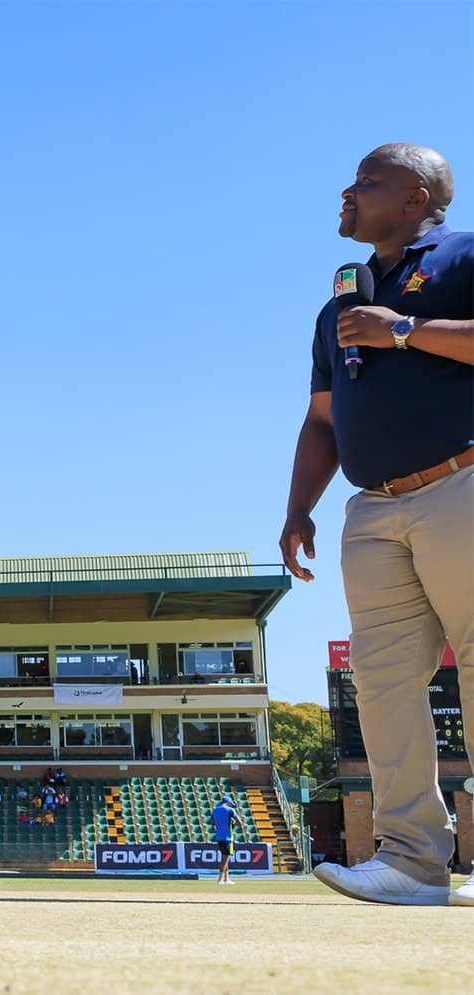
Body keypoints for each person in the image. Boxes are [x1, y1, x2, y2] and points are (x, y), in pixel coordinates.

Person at [279, 144, 472, 908]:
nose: (347, 193)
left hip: (460, 481)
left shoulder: (463, 257)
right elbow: (322, 419)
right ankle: (413, 859)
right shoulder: (337, 304)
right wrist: (299, 506)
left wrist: (403, 329)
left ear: (417, 196)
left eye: (368, 182)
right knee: (383, 681)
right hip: (372, 506)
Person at [211, 796, 247, 886]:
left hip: (219, 837)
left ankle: (227, 879)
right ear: (229, 803)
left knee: (226, 858)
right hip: (227, 837)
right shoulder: (230, 810)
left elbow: (212, 822)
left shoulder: (215, 810)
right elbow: (240, 823)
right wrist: (233, 823)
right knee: (224, 859)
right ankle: (220, 880)